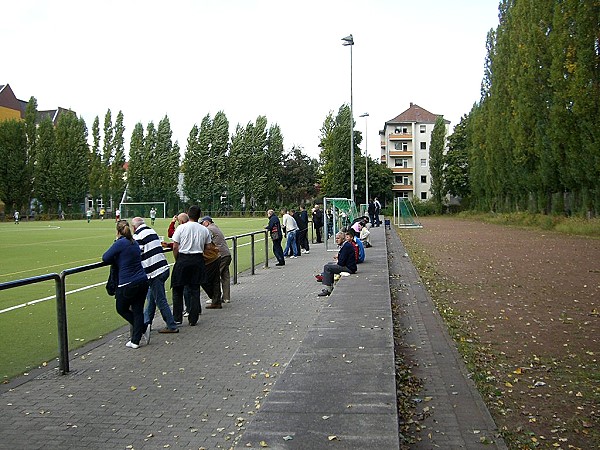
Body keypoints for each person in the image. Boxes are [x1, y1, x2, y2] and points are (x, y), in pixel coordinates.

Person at [102, 220, 150, 349]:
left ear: (118, 232)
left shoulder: (121, 243)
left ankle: (143, 327)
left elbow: (105, 257)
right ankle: (135, 340)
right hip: (142, 280)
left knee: (121, 308)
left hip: (128, 282)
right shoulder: (133, 242)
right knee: (138, 309)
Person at [131, 217, 179, 334]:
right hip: (163, 268)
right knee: (152, 298)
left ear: (134, 227)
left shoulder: (137, 236)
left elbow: (136, 253)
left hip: (154, 272)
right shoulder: (151, 231)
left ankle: (171, 325)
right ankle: (146, 323)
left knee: (160, 300)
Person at [170, 205, 211, 326]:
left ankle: (177, 318)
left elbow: (175, 246)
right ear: (199, 215)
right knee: (194, 289)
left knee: (177, 289)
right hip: (197, 259)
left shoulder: (182, 228)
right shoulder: (204, 230)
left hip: (183, 258)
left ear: (188, 214)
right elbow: (208, 247)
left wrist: (178, 258)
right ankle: (193, 319)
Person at [201, 216, 232, 305]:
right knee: (225, 277)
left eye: (202, 223)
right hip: (226, 254)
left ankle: (215, 298)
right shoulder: (215, 227)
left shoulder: (209, 229)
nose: (202, 225)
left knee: (213, 277)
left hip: (220, 255)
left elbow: (206, 243)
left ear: (206, 222)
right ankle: (226, 298)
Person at [317, 229, 357, 297]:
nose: (336, 240)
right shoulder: (345, 245)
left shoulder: (346, 247)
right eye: (336, 238)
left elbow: (341, 262)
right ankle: (329, 285)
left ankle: (328, 289)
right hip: (349, 266)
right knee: (329, 264)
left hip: (349, 268)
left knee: (327, 267)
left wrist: (338, 260)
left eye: (338, 238)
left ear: (343, 239)